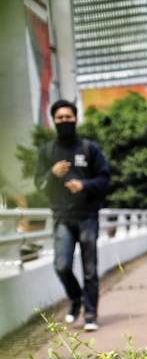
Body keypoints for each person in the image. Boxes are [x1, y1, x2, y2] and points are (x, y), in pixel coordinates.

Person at [34, 99, 110, 331]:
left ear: (76, 119)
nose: (64, 121)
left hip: (87, 216)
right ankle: (76, 298)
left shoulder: (90, 149)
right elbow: (39, 185)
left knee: (89, 270)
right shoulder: (47, 152)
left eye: (68, 117)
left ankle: (90, 313)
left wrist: (84, 185)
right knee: (62, 266)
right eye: (60, 118)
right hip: (62, 218)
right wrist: (52, 173)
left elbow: (105, 179)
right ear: (54, 121)